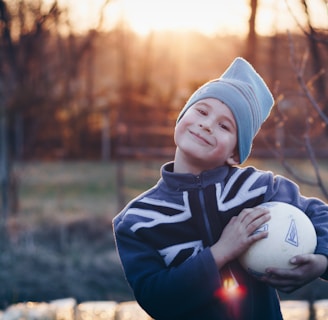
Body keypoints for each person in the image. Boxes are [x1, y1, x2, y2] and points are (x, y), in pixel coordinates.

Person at [112, 57, 328, 320]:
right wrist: (220, 252)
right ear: (181, 118)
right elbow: (155, 298)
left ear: (235, 154)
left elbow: (321, 216)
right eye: (201, 111)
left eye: (224, 125)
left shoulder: (258, 190)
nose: (206, 124)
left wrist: (322, 261)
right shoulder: (137, 221)